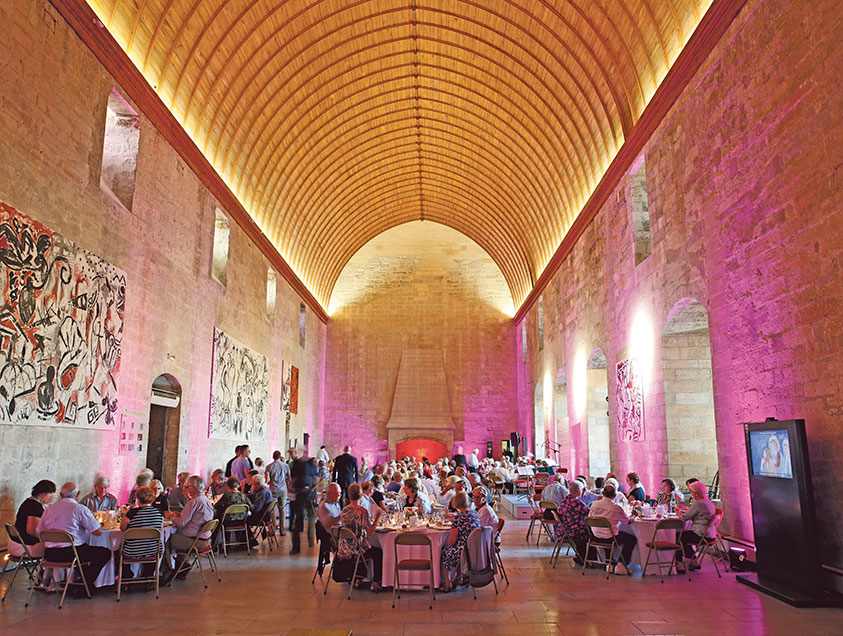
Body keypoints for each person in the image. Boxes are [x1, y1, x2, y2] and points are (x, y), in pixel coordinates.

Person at [37, 482, 111, 589]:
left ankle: (78, 581)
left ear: (61, 495)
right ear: (77, 494)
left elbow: (39, 532)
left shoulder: (48, 509)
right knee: (104, 553)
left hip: (49, 554)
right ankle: (85, 584)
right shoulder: (79, 509)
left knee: (84, 551)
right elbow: (97, 532)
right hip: (72, 554)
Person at [162, 476, 214, 582]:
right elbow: (193, 517)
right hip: (206, 539)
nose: (184, 489)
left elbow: (181, 523)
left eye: (186, 487)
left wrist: (171, 517)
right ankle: (182, 567)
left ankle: (168, 570)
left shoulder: (193, 501)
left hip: (195, 541)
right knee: (177, 537)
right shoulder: (205, 499)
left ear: (192, 488)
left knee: (164, 541)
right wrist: (179, 514)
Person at [338, 483, 383, 592]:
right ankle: (376, 582)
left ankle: (360, 578)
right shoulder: (362, 512)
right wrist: (377, 517)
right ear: (361, 495)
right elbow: (370, 532)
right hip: (356, 548)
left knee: (364, 546)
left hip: (344, 547)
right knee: (377, 552)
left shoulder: (344, 510)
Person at [587, 484, 636, 575]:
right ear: (614, 496)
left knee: (607, 533)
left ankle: (609, 564)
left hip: (595, 536)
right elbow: (627, 521)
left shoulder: (594, 504)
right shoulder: (616, 508)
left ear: (603, 493)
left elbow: (590, 518)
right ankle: (621, 565)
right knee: (631, 539)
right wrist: (633, 515)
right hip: (610, 538)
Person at [119, 485, 164, 581]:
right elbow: (159, 529)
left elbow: (122, 528)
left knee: (117, 552)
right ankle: (147, 577)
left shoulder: (132, 513)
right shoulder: (159, 513)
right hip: (153, 550)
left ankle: (127, 577)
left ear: (138, 498)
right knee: (152, 547)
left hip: (132, 551)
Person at [440, 491, 481, 588]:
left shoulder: (458, 518)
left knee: (444, 551)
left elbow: (452, 539)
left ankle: (447, 582)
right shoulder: (474, 514)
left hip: (464, 552)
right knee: (454, 548)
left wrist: (446, 545)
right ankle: (458, 578)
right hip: (476, 549)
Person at [9, 480, 56, 558]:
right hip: (26, 547)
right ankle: (54, 569)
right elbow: (32, 531)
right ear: (45, 494)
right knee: (59, 548)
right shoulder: (34, 507)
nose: (54, 497)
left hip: (17, 544)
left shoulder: (29, 502)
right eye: (53, 493)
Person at [676, 481, 716, 572]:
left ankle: (679, 564)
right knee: (684, 536)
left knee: (678, 537)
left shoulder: (699, 503)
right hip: (710, 535)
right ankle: (694, 561)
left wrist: (678, 511)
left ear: (696, 493)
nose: (692, 494)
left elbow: (685, 517)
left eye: (692, 492)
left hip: (700, 534)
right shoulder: (708, 502)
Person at [289, 448, 318, 554]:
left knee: (302, 519)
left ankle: (304, 543)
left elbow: (293, 479)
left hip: (304, 494)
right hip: (304, 494)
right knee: (303, 520)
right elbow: (315, 479)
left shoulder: (304, 463)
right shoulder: (308, 464)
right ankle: (307, 542)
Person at [556, 480, 589, 563]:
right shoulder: (576, 502)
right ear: (578, 491)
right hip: (574, 529)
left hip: (565, 528)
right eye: (581, 490)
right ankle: (585, 558)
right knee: (591, 534)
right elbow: (587, 511)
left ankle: (579, 555)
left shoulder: (565, 499)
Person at [265, 450, 290, 536]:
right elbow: (289, 478)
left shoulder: (269, 466)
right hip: (283, 489)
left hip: (273, 489)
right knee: (282, 509)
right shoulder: (285, 466)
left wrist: (271, 482)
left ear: (273, 457)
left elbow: (267, 480)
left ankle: (273, 530)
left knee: (272, 510)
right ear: (280, 457)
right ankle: (282, 530)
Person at [246, 474, 273, 545]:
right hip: (266, 516)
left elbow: (256, 509)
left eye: (253, 482)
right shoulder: (264, 489)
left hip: (261, 517)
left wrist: (247, 504)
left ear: (257, 483)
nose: (251, 483)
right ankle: (250, 540)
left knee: (242, 520)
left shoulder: (262, 493)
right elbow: (253, 496)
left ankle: (250, 541)